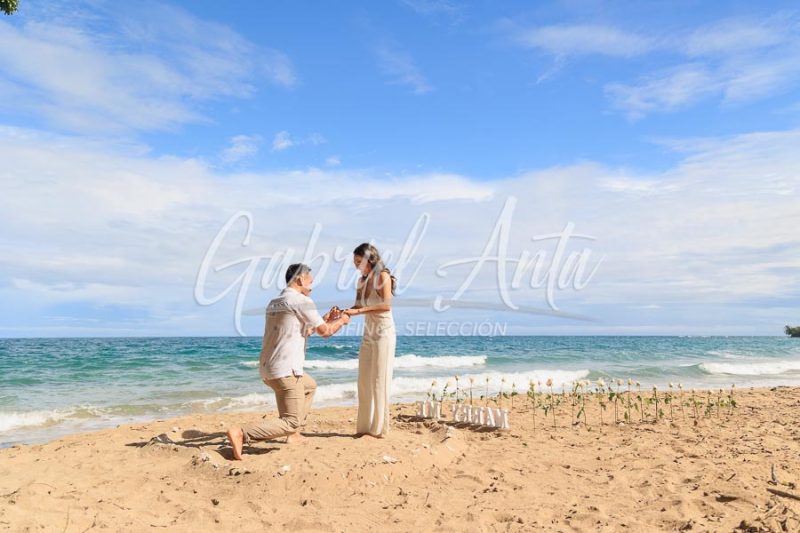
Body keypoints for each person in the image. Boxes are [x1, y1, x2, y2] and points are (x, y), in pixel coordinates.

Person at [227, 263, 350, 460]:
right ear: (300, 279)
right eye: (310, 281)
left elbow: (302, 330)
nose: (312, 286)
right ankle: (243, 433)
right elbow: (326, 332)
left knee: (309, 386)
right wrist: (341, 321)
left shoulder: (275, 302)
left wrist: (325, 318)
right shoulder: (302, 301)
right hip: (286, 370)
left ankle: (293, 435)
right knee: (291, 421)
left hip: (269, 368)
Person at [344, 243, 397, 438]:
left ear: (370, 259)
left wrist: (357, 311)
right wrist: (342, 312)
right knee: (364, 381)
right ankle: (364, 428)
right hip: (368, 333)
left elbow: (386, 305)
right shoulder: (361, 281)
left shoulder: (383, 276)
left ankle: (380, 429)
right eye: (355, 262)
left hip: (384, 332)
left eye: (359, 262)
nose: (356, 266)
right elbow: (357, 306)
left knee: (379, 380)